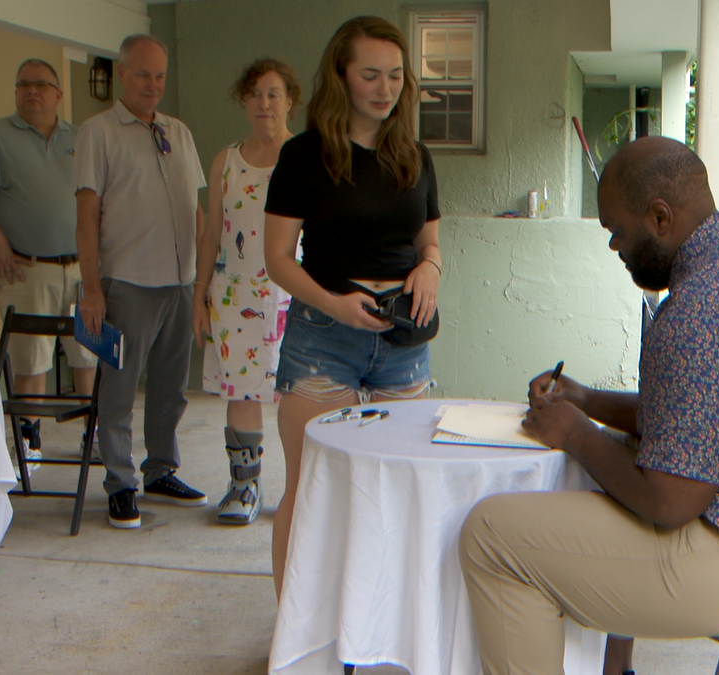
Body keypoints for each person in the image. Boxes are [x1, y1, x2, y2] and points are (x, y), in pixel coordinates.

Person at [458, 136, 719, 675]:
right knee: (607, 469)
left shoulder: (705, 307)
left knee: (493, 537)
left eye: (615, 231)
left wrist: (575, 433)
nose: (613, 247)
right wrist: (585, 400)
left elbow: (669, 502)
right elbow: (691, 419)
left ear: (659, 218)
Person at [262, 15, 442, 595]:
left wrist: (431, 268)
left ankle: (383, 628)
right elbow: (279, 259)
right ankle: (295, 633)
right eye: (371, 75)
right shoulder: (302, 156)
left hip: (402, 340)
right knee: (312, 486)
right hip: (323, 335)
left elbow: (429, 242)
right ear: (341, 76)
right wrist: (335, 304)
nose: (385, 88)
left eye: (395, 75)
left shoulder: (415, 154)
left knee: (398, 488)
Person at [75, 34, 209, 529]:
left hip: (180, 282)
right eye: (143, 75)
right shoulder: (98, 132)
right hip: (128, 281)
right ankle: (119, 483)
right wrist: (92, 289)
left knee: (172, 387)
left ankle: (160, 469)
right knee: (119, 389)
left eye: (160, 76)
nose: (153, 85)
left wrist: (202, 278)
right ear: (122, 75)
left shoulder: (179, 131)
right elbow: (86, 216)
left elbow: (194, 208)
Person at [0, 58, 98, 468]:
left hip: (83, 271)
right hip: (27, 270)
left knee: (89, 354)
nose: (33, 91)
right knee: (31, 360)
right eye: (24, 85)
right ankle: (28, 440)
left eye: (43, 85)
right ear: (15, 92)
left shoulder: (81, 138)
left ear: (59, 94)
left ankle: (92, 435)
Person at [192, 58, 304, 525]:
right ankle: (244, 486)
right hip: (234, 294)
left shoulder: (307, 157)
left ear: (289, 101)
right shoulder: (226, 160)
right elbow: (213, 231)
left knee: (302, 396)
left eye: (273, 93)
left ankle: (302, 494)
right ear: (244, 101)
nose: (264, 103)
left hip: (294, 294)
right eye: (255, 94)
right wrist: (200, 293)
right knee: (242, 393)